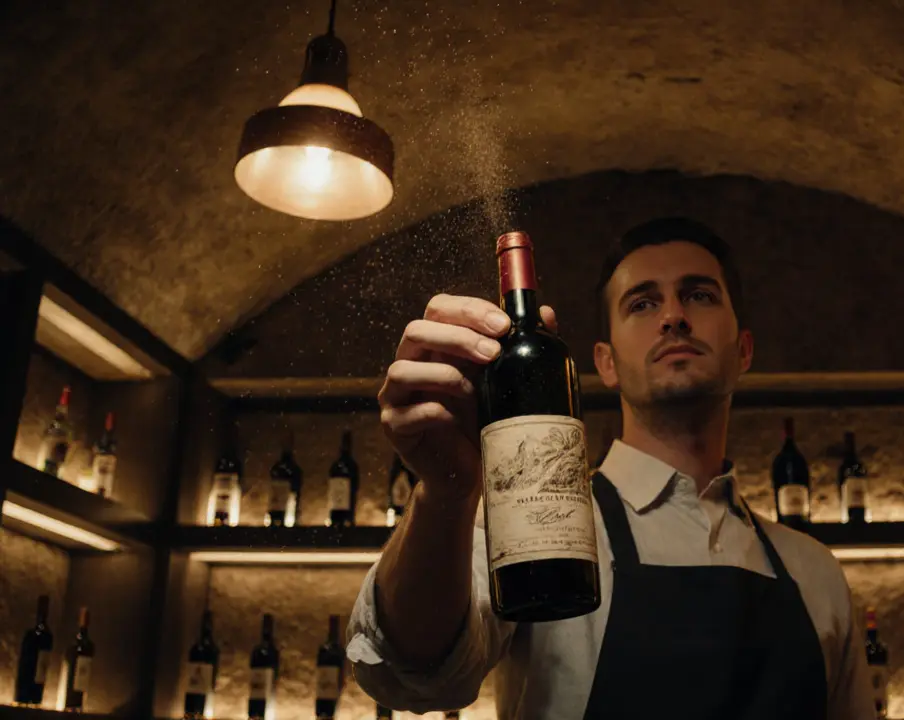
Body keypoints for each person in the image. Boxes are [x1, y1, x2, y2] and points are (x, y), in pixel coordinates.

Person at [347, 217, 874, 719]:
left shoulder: (816, 572)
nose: (673, 316)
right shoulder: (531, 525)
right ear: (604, 364)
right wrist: (445, 494)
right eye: (642, 303)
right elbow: (415, 672)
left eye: (699, 294)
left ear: (744, 350)